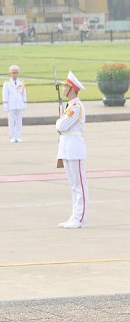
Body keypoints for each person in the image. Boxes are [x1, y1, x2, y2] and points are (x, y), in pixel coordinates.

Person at [56, 72, 88, 229]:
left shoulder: (76, 107)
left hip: (75, 147)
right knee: (73, 184)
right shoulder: (70, 106)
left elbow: (62, 126)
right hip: (67, 147)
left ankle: (80, 217)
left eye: (65, 86)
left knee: (79, 184)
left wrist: (58, 123)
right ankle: (74, 216)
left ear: (72, 89)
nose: (63, 88)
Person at [2, 65, 27, 143]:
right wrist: (5, 106)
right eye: (13, 73)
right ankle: (12, 136)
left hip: (19, 105)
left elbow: (24, 94)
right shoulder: (7, 84)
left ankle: (18, 136)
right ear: (11, 74)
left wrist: (24, 104)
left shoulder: (21, 83)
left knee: (19, 121)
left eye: (16, 73)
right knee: (12, 121)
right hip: (11, 105)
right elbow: (5, 95)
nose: (15, 75)